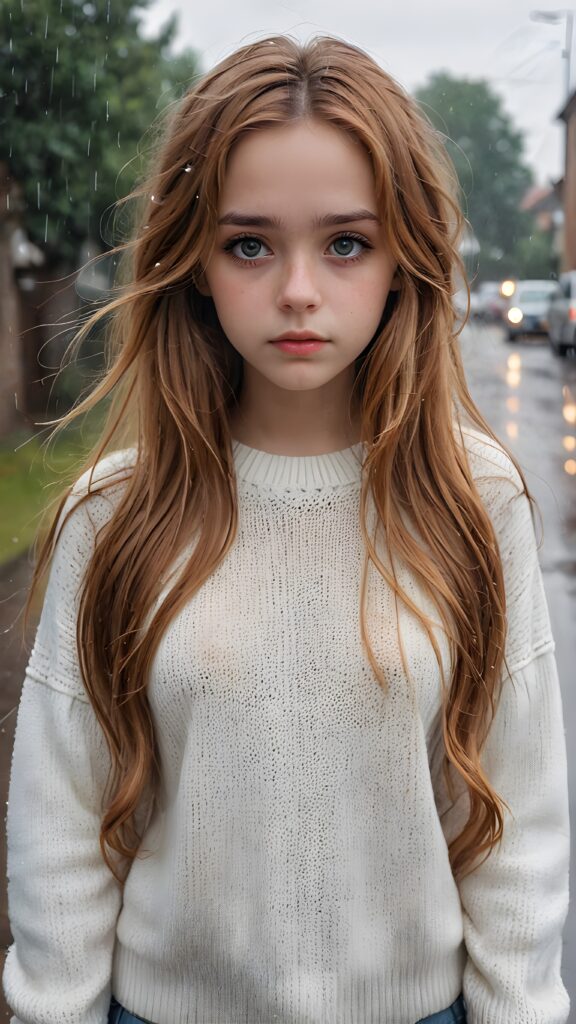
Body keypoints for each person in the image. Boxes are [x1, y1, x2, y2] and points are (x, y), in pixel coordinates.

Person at [2, 34, 570, 1024]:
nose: (298, 290)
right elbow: (62, 826)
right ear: (194, 260)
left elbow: (516, 823)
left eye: (345, 242)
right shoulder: (114, 513)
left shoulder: (477, 502)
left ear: (403, 259)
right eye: (250, 243)